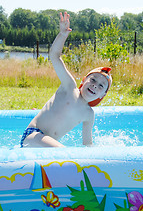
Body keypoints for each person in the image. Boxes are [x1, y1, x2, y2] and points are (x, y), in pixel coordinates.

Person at [20, 12, 112, 148]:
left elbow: (88, 144)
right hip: (33, 136)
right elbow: (55, 56)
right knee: (64, 154)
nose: (95, 86)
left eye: (101, 85)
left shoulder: (88, 114)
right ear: (84, 79)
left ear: (103, 94)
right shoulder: (70, 87)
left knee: (65, 155)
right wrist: (62, 35)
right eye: (92, 80)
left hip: (48, 146)